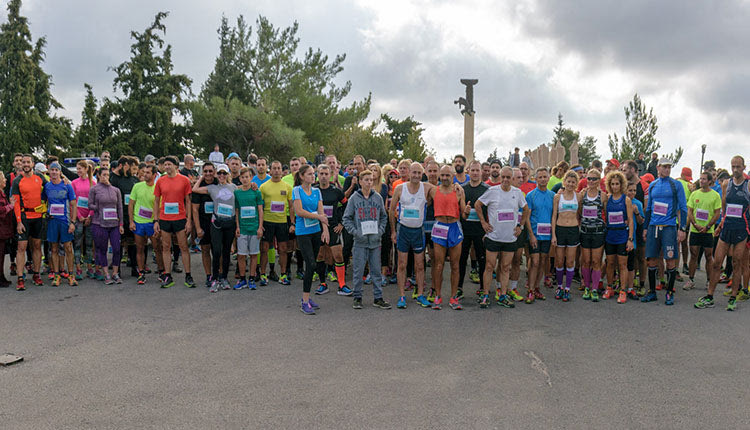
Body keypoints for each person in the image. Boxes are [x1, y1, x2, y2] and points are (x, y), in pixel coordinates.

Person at [697, 156, 750, 311]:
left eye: (738, 167)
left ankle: (733, 297)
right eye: (733, 166)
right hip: (727, 227)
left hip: (741, 228)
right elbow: (725, 208)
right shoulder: (727, 184)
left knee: (737, 262)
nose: (735, 170)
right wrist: (720, 225)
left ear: (743, 167)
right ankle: (710, 296)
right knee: (716, 263)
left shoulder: (748, 185)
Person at [475, 166, 529, 308]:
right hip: (493, 236)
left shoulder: (517, 193)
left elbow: (526, 209)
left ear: (512, 178)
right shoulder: (492, 191)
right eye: (502, 177)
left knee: (505, 267)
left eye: (508, 177)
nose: (505, 180)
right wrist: (483, 223)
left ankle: (503, 295)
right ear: (500, 177)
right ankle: (486, 295)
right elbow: (478, 204)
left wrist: (520, 226)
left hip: (509, 238)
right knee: (489, 266)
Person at [641, 158, 687, 305]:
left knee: (670, 260)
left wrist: (682, 229)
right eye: (664, 167)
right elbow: (648, 209)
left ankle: (669, 292)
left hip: (669, 228)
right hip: (654, 227)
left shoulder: (676, 184)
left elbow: (683, 208)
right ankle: (653, 292)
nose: (667, 169)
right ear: (658, 167)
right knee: (652, 260)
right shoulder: (653, 185)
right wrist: (646, 228)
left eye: (669, 167)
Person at [342, 169, 391, 310]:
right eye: (366, 180)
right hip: (360, 242)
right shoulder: (354, 199)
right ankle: (357, 296)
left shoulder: (378, 198)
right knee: (358, 270)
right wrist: (355, 232)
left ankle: (378, 297)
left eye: (371, 180)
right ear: (360, 181)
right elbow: (346, 218)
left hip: (375, 241)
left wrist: (380, 231)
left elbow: (383, 217)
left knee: (376, 270)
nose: (369, 182)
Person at [390, 162, 435, 309]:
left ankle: (420, 294)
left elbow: (443, 191)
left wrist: (457, 188)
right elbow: (391, 211)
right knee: (402, 264)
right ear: (409, 173)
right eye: (413, 172)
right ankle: (402, 296)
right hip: (403, 230)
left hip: (418, 231)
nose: (416, 176)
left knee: (420, 265)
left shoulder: (426, 187)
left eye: (418, 173)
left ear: (422, 174)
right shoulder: (400, 188)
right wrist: (393, 231)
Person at [192, 164, 237, 292]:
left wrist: (254, 186)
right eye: (220, 173)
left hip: (230, 223)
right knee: (216, 251)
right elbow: (195, 189)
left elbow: (245, 188)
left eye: (224, 173)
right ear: (217, 174)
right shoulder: (212, 188)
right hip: (217, 223)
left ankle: (224, 278)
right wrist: (200, 178)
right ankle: (215, 278)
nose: (222, 176)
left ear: (228, 174)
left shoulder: (233, 187)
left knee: (226, 252)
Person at [153, 156, 196, 289]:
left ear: (176, 167)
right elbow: (156, 201)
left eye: (169, 164)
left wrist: (189, 220)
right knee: (166, 247)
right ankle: (168, 275)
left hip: (180, 218)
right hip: (165, 218)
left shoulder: (184, 180)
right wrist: (156, 220)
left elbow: (188, 201)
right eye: (165, 165)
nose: (166, 167)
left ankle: (188, 275)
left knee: (183, 247)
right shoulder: (160, 181)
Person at [292, 164, 328, 314]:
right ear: (301, 176)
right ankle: (304, 301)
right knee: (311, 264)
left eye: (314, 174)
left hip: (315, 231)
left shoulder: (317, 191)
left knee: (312, 265)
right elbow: (299, 211)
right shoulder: (297, 190)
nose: (313, 176)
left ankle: (307, 298)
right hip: (303, 232)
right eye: (309, 174)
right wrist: (318, 217)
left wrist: (325, 230)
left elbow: (322, 212)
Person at [428, 165, 466, 310]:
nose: (444, 178)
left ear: (453, 175)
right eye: (442, 175)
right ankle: (438, 296)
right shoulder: (433, 190)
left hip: (454, 227)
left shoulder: (458, 191)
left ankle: (453, 297)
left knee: (455, 265)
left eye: (447, 175)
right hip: (440, 227)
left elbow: (463, 213)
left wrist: (467, 211)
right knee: (438, 265)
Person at [313, 164, 351, 296]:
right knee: (320, 255)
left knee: (338, 255)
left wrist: (342, 223)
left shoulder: (336, 191)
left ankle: (342, 285)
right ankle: (323, 284)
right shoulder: (313, 190)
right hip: (317, 228)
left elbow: (347, 205)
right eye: (321, 174)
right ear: (317, 175)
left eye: (326, 174)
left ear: (330, 175)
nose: (323, 176)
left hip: (333, 227)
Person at [11, 154, 47, 290]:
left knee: (37, 246)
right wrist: (19, 222)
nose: (25, 164)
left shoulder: (40, 177)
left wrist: (65, 181)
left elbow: (51, 188)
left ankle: (36, 275)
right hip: (24, 217)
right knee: (21, 247)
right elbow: (15, 202)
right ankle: (20, 278)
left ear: (33, 164)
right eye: (24, 162)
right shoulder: (17, 181)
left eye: (28, 162)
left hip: (38, 217)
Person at [683, 171, 721, 291]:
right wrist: (695, 224)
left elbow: (717, 213)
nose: (701, 181)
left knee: (709, 256)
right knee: (693, 255)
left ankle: (709, 281)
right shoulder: (694, 194)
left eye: (704, 179)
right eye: (700, 179)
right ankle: (691, 280)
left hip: (708, 231)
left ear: (710, 181)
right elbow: (690, 210)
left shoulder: (715, 195)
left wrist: (708, 226)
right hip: (695, 230)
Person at [43, 162, 78, 287]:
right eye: (51, 170)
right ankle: (56, 275)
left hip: (65, 221)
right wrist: (46, 213)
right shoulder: (47, 186)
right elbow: (43, 202)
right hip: (52, 222)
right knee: (54, 249)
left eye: (56, 170)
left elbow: (73, 205)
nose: (53, 172)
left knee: (68, 248)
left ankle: (71, 275)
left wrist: (73, 222)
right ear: (49, 172)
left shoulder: (67, 185)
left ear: (60, 172)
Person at [602, 171, 635, 303]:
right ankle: (609, 287)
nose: (615, 186)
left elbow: (630, 220)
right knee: (610, 263)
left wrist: (630, 239)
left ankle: (622, 290)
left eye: (617, 184)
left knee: (622, 264)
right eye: (612, 184)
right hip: (610, 235)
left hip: (622, 235)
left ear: (622, 185)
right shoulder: (607, 199)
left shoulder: (626, 200)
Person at [259, 160, 293, 286]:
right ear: (270, 170)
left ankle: (283, 274)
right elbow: (260, 207)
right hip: (267, 221)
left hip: (282, 222)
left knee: (283, 249)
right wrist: (260, 224)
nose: (277, 170)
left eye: (279, 168)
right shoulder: (263, 187)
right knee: (264, 249)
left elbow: (291, 206)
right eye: (274, 168)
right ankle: (263, 274)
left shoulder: (287, 187)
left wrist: (292, 223)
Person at [458, 160, 489, 298]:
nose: (475, 173)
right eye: (473, 170)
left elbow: (491, 211)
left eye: (478, 170)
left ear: (481, 172)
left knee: (482, 260)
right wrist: (464, 211)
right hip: (465, 229)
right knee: (461, 260)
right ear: (468, 171)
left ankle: (483, 288)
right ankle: (458, 287)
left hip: (480, 230)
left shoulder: (487, 189)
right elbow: (457, 211)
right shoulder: (462, 188)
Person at [88, 168, 124, 284]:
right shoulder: (94, 189)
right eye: (103, 175)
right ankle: (106, 274)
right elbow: (90, 205)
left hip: (114, 223)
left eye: (107, 175)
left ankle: (115, 273)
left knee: (117, 249)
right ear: (98, 176)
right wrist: (98, 207)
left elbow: (119, 207)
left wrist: (121, 224)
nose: (105, 177)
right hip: (99, 223)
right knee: (102, 249)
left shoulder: (115, 190)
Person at [129, 163, 163, 285]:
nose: (145, 174)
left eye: (148, 172)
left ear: (154, 175)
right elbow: (131, 204)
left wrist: (156, 222)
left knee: (157, 248)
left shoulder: (158, 187)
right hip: (138, 222)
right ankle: (141, 273)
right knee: (139, 248)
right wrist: (131, 221)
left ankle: (161, 272)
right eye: (144, 172)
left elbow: (159, 207)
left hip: (151, 222)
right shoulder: (137, 186)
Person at [525, 167, 554, 303]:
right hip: (535, 234)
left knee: (543, 261)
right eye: (540, 177)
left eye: (545, 177)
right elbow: (527, 217)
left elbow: (554, 216)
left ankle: (537, 288)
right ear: (535, 179)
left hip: (547, 235)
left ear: (548, 178)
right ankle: (530, 289)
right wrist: (531, 235)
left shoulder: (553, 196)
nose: (543, 179)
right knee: (534, 262)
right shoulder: (530, 195)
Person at [551, 170, 580, 302]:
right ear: (564, 182)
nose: (570, 184)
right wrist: (553, 235)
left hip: (573, 229)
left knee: (570, 261)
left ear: (576, 184)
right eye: (568, 181)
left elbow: (580, 214)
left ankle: (567, 288)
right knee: (559, 260)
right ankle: (559, 286)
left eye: (573, 182)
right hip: (560, 229)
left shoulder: (578, 196)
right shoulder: (558, 197)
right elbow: (554, 216)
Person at [234, 167, 264, 290]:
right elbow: (236, 211)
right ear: (240, 178)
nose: (245, 179)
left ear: (251, 178)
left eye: (247, 177)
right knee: (241, 255)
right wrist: (237, 227)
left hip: (254, 228)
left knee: (253, 254)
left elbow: (260, 210)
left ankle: (251, 278)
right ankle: (242, 279)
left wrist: (260, 227)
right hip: (242, 229)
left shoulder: (256, 192)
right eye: (242, 177)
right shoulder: (237, 193)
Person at [579, 168, 607, 302]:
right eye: (588, 178)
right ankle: (586, 287)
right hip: (585, 231)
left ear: (599, 180)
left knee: (596, 261)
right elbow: (579, 211)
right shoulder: (582, 194)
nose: (590, 181)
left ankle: (594, 288)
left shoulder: (603, 195)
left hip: (598, 232)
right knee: (586, 261)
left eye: (593, 179)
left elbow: (606, 214)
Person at [192, 162, 217, 287]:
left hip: (218, 223)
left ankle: (219, 274)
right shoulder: (199, 186)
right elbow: (195, 210)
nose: (208, 173)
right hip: (204, 223)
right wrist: (197, 228)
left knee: (218, 250)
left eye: (210, 171)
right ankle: (209, 275)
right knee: (205, 250)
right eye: (205, 171)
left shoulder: (219, 183)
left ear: (214, 171)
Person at [71, 160, 96, 280]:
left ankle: (90, 267)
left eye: (80, 168)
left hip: (90, 218)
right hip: (78, 217)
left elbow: (94, 201)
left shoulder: (93, 183)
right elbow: (73, 201)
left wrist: (90, 216)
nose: (78, 171)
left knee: (89, 244)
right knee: (77, 244)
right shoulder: (74, 183)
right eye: (77, 168)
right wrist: (80, 216)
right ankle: (78, 269)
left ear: (86, 169)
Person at [0, 172, 12, 288]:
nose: (5, 181)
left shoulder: (2, 193)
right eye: (3, 179)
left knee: (2, 255)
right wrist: (10, 206)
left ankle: (2, 276)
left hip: (3, 229)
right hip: (1, 228)